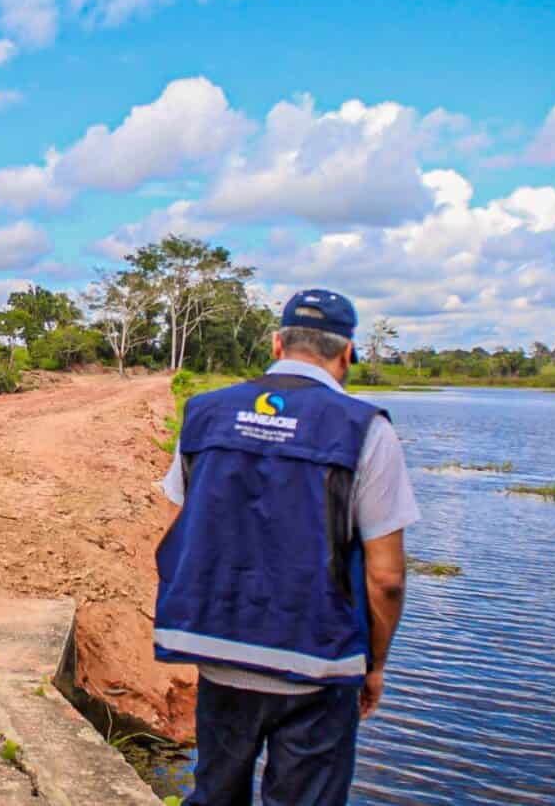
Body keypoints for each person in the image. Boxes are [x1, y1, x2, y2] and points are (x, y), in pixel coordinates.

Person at [155, 289, 420, 806]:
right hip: (318, 663)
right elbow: (386, 579)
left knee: (214, 795)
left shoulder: (204, 413)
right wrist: (375, 663)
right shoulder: (366, 429)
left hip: (219, 651)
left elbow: (177, 531)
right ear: (348, 353)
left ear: (277, 343)